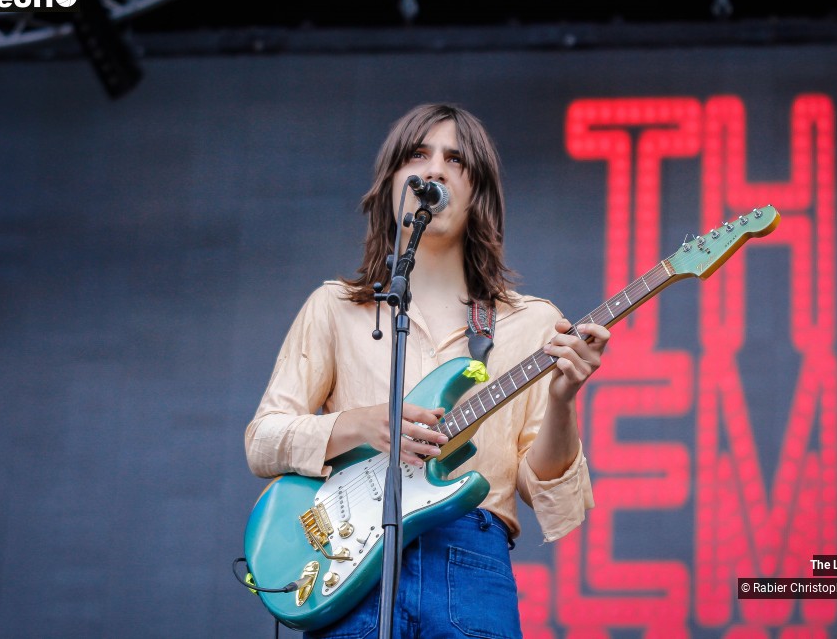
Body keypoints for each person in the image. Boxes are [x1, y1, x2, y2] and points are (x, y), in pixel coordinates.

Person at [244, 102, 609, 639]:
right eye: (418, 154)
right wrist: (363, 425)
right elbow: (263, 441)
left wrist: (562, 401)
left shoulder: (532, 322)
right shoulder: (334, 307)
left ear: (476, 192)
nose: (434, 169)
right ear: (393, 181)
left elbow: (552, 498)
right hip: (352, 562)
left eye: (455, 160)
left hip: (471, 564)